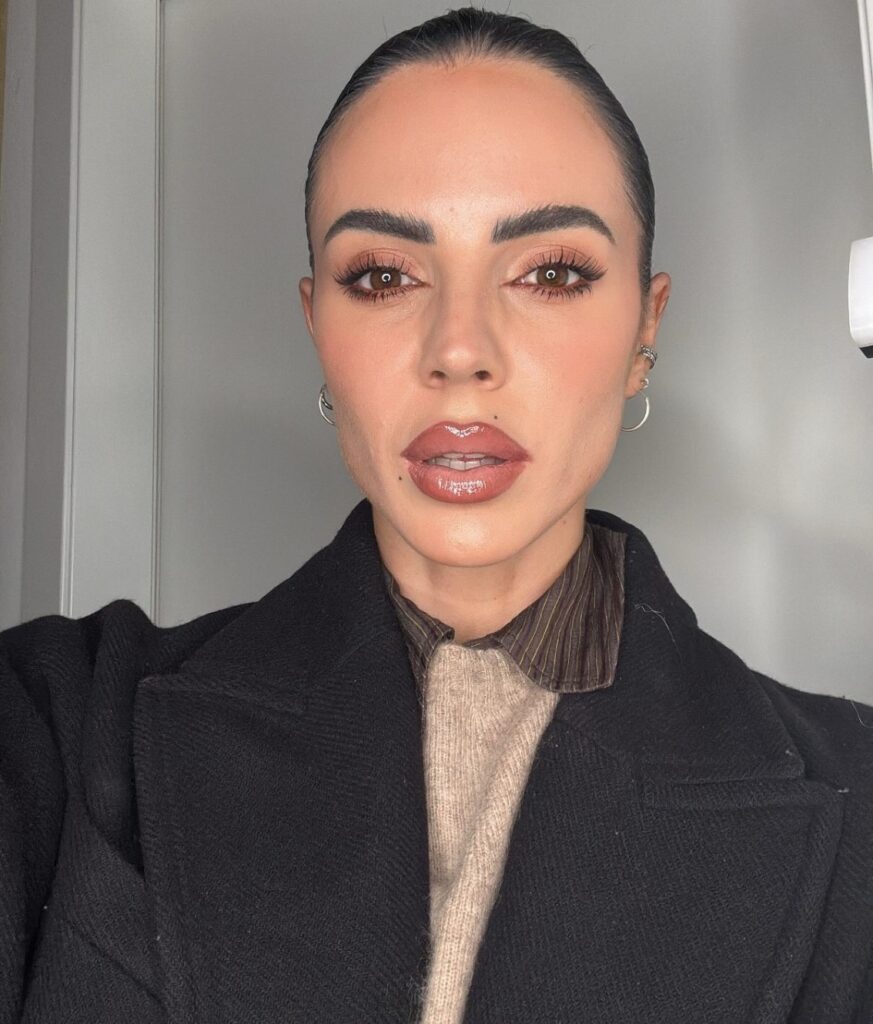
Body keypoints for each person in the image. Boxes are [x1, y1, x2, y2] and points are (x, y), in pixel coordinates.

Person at [1, 7, 871, 1023]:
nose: (460, 350)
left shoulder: (855, 793)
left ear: (645, 326)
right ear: (317, 323)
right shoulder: (59, 718)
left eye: (550, 273)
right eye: (383, 276)